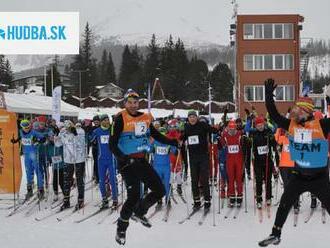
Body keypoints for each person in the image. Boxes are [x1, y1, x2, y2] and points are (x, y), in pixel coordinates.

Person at [259, 78, 330, 247]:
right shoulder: (291, 125)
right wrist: (269, 95)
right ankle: (275, 234)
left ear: (306, 111)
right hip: (298, 176)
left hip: (319, 178)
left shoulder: (322, 125)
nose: (293, 111)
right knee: (284, 204)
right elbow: (274, 114)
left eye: (297, 109)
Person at [109, 89, 178, 245]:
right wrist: (123, 158)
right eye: (130, 102)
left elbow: (156, 135)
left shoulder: (145, 118)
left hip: (141, 160)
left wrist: (172, 142)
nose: (133, 105)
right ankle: (121, 229)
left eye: (135, 103)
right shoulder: (120, 118)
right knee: (133, 196)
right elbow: (112, 144)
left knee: (160, 190)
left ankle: (139, 212)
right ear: (125, 103)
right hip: (127, 163)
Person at [181, 110, 217, 211]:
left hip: (203, 156)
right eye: (190, 117)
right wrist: (179, 141)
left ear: (197, 117)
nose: (192, 118)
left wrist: (216, 132)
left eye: (194, 117)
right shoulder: (187, 127)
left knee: (204, 179)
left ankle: (207, 201)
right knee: (194, 180)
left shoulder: (202, 125)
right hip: (192, 157)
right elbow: (184, 136)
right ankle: (196, 201)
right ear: (188, 118)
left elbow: (212, 130)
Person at [11, 119, 46, 200]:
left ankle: (41, 190)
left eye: (28, 127)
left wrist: (37, 140)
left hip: (34, 154)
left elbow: (43, 138)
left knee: (38, 171)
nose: (26, 129)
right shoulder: (21, 131)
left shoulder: (34, 132)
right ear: (22, 127)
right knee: (28, 171)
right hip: (26, 155)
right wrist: (15, 141)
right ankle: (29, 190)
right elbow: (21, 137)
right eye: (25, 127)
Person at [56, 120, 86, 211]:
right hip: (68, 160)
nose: (67, 129)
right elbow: (58, 144)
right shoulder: (63, 133)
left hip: (79, 159)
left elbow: (81, 144)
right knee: (67, 181)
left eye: (69, 127)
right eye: (66, 127)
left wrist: (75, 134)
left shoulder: (80, 131)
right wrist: (56, 137)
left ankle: (80, 200)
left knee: (79, 179)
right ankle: (66, 200)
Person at [248, 116, 278, 209]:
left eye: (261, 125)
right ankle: (259, 199)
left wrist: (272, 139)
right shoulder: (253, 134)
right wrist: (248, 141)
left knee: (268, 180)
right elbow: (249, 146)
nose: (260, 127)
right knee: (259, 180)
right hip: (257, 161)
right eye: (258, 125)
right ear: (256, 126)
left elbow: (274, 145)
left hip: (267, 160)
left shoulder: (268, 131)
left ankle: (268, 197)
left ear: (263, 125)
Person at [90, 114, 118, 210]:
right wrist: (92, 140)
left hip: (111, 160)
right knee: (101, 181)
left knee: (112, 180)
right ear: (101, 121)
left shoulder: (111, 129)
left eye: (107, 120)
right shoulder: (97, 131)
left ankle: (115, 200)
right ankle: (104, 199)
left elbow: (118, 136)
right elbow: (91, 140)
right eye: (104, 120)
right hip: (101, 160)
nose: (106, 122)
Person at [219, 120, 247, 208]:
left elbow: (246, 132)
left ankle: (239, 196)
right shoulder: (225, 135)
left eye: (233, 129)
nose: (232, 131)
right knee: (230, 179)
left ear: (236, 128)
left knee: (239, 178)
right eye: (230, 129)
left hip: (239, 159)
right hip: (230, 159)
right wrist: (219, 140)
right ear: (228, 129)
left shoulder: (239, 134)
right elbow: (222, 145)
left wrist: (246, 141)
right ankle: (231, 197)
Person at [151, 126, 177, 209]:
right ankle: (159, 199)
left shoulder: (168, 142)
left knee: (166, 183)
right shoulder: (155, 141)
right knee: (158, 183)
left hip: (166, 166)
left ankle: (167, 199)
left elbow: (174, 151)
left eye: (164, 134)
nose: (162, 136)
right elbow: (149, 149)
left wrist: (176, 147)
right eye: (160, 134)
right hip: (157, 166)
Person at [91, 115, 100, 184]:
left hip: (101, 148)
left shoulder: (101, 128)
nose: (96, 123)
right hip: (95, 148)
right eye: (95, 122)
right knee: (96, 162)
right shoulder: (93, 128)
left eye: (97, 121)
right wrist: (92, 140)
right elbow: (90, 137)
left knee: (100, 162)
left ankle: (100, 176)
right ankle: (96, 176)